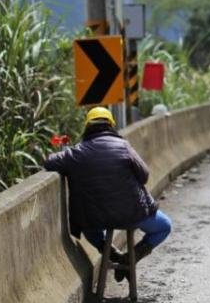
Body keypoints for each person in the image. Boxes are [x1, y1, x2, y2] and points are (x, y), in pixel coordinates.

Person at [45, 107, 172, 281]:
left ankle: (115, 256)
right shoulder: (124, 147)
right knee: (164, 226)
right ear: (111, 125)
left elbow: (49, 162)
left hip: (96, 218)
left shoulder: (75, 153)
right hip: (132, 213)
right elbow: (144, 176)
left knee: (89, 231)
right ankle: (130, 258)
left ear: (87, 127)